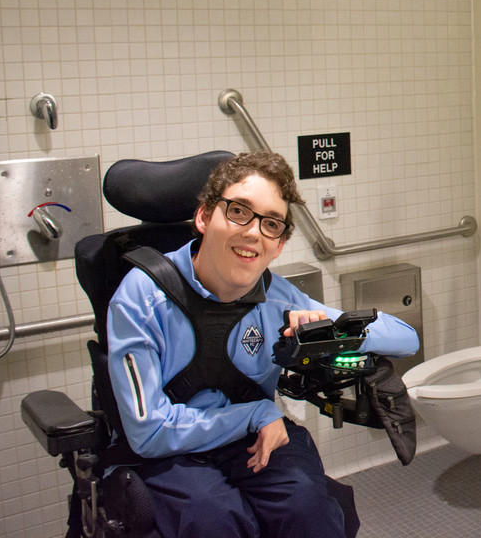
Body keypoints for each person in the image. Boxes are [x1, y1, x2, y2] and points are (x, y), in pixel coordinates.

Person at [107, 151, 418, 538]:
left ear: (279, 246)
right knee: (215, 521)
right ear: (204, 217)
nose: (253, 232)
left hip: (253, 443)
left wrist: (330, 329)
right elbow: (148, 432)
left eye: (271, 223)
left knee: (310, 509)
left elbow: (407, 339)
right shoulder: (142, 297)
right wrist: (254, 414)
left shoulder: (279, 300)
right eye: (239, 211)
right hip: (171, 452)